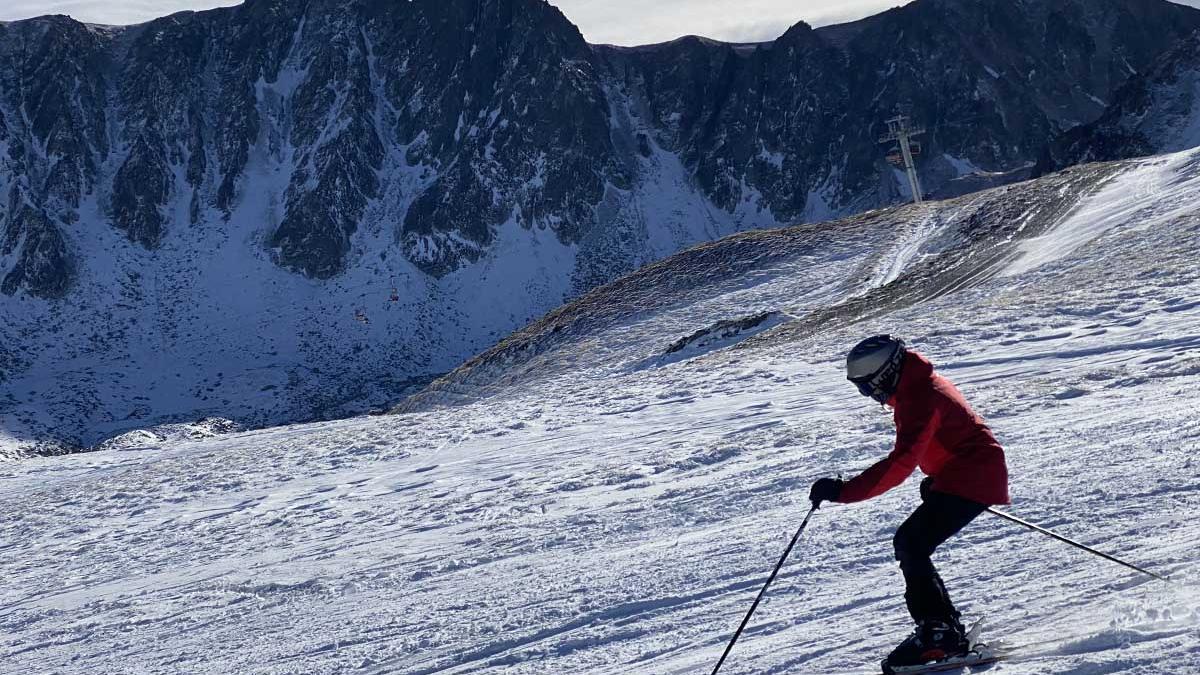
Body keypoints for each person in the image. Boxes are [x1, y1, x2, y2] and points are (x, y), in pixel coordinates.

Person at [809, 335, 1010, 672]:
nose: (870, 397)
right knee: (913, 543)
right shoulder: (917, 386)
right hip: (966, 473)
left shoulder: (920, 398)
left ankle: (939, 635)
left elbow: (901, 463)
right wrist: (938, 479)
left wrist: (844, 491)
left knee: (911, 542)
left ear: (885, 375)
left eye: (867, 388)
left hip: (975, 475)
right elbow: (950, 437)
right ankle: (942, 630)